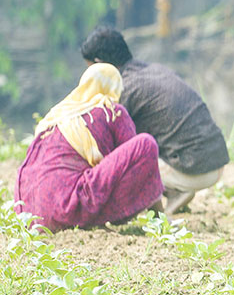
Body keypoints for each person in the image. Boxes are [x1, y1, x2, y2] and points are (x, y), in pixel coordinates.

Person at [80, 26, 230, 213]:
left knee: (118, 161)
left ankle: (170, 194)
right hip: (216, 161)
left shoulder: (124, 89)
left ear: (99, 63)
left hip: (193, 168)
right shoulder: (154, 69)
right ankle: (175, 191)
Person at [15, 63, 164, 231]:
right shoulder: (112, 111)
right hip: (66, 209)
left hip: (28, 215)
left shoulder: (55, 117)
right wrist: (159, 213)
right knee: (145, 144)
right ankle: (160, 219)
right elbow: (139, 167)